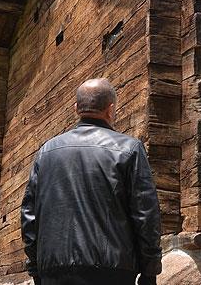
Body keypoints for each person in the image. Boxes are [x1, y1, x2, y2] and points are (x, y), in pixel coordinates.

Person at [20, 78, 162, 285]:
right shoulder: (129, 149)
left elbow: (28, 216)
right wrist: (150, 272)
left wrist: (36, 268)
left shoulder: (46, 152)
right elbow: (145, 214)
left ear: (76, 108)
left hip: (54, 271)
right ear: (111, 109)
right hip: (112, 271)